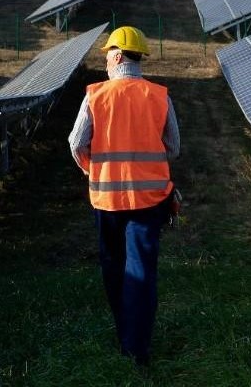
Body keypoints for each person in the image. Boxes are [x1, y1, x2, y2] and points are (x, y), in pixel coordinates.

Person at [68, 26, 180, 367]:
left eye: (106, 56)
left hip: (107, 202)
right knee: (142, 271)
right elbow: (173, 147)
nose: (104, 63)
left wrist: (92, 169)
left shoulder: (96, 95)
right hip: (149, 201)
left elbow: (75, 143)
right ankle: (138, 348)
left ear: (117, 56)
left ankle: (124, 336)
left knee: (115, 269)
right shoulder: (159, 96)